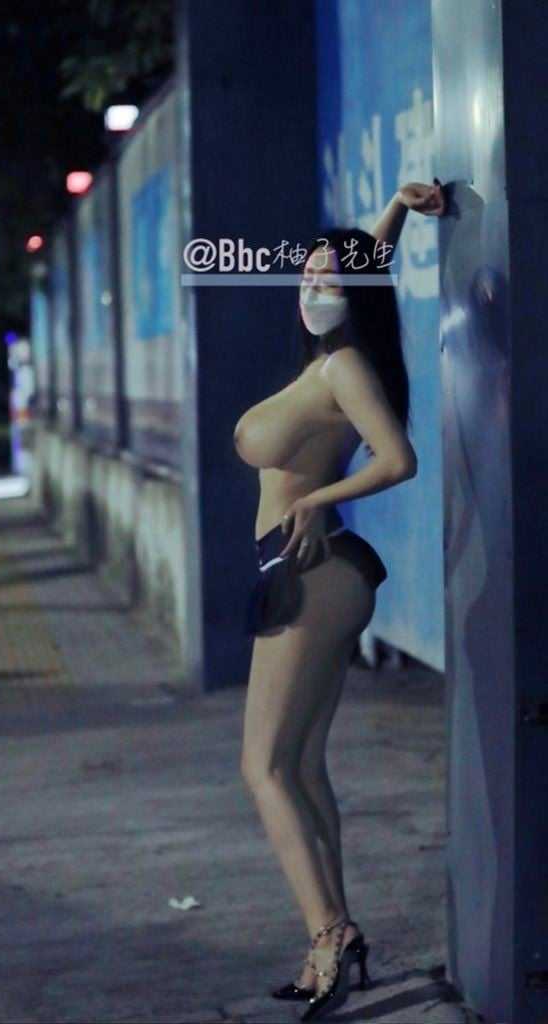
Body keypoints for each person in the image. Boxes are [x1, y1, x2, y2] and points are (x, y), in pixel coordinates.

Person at [232, 180, 446, 1020]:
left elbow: (398, 459)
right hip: (309, 571)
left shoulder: (346, 366)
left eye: (330, 276)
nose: (316, 284)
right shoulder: (329, 362)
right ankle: (332, 939)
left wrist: (316, 501)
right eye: (308, 273)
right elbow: (366, 265)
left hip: (311, 570)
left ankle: (330, 934)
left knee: (263, 767)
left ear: (354, 293)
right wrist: (391, 210)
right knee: (302, 763)